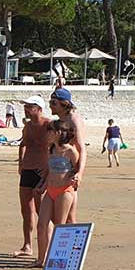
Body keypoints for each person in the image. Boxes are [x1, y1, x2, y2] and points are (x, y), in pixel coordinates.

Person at [34, 119, 80, 268]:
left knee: (60, 227)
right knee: (41, 225)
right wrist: (43, 185)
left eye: (50, 131)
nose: (47, 134)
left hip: (65, 191)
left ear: (59, 133)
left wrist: (75, 178)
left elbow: (76, 171)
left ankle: (59, 260)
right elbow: (50, 172)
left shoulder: (71, 151)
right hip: (50, 190)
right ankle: (41, 259)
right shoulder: (52, 149)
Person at [13, 96, 49, 258]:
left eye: (29, 107)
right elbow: (23, 144)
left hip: (42, 170)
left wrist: (49, 168)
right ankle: (27, 245)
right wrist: (20, 163)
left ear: (39, 108)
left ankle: (46, 248)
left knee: (43, 211)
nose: (26, 109)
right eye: (25, 106)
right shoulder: (27, 126)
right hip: (27, 169)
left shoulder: (49, 125)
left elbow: (57, 147)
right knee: (26, 210)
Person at [48, 88, 86, 224]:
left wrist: (79, 174)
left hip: (69, 172)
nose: (50, 105)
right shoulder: (60, 120)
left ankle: (74, 245)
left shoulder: (73, 120)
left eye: (53, 103)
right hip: (57, 170)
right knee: (58, 217)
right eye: (50, 102)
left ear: (64, 104)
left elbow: (82, 149)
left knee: (69, 217)